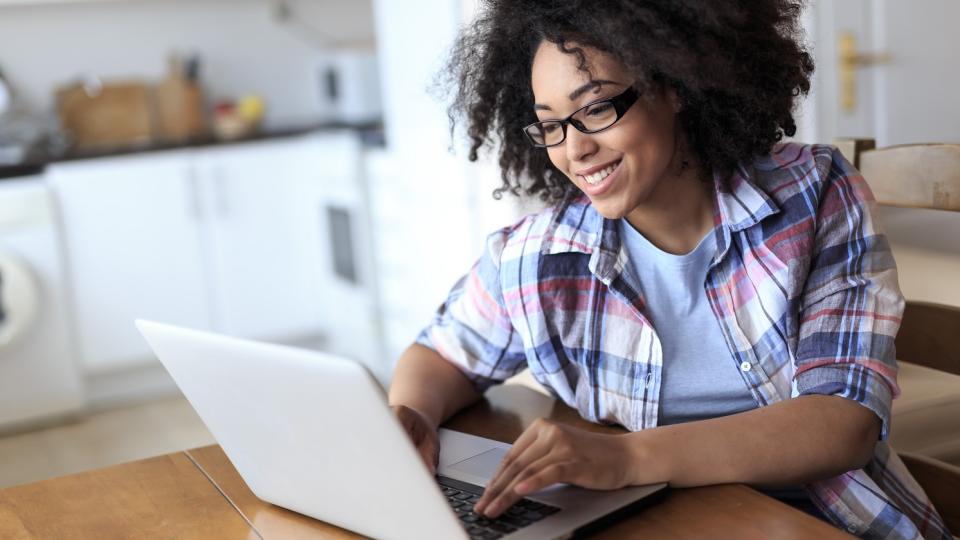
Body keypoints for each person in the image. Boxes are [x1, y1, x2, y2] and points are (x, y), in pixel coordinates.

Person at [387, 1, 950, 538]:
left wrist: (626, 457)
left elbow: (841, 422)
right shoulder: (540, 254)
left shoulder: (814, 194)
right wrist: (410, 415)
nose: (574, 150)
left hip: (826, 524)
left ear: (674, 83)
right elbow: (441, 353)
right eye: (551, 125)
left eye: (597, 107)